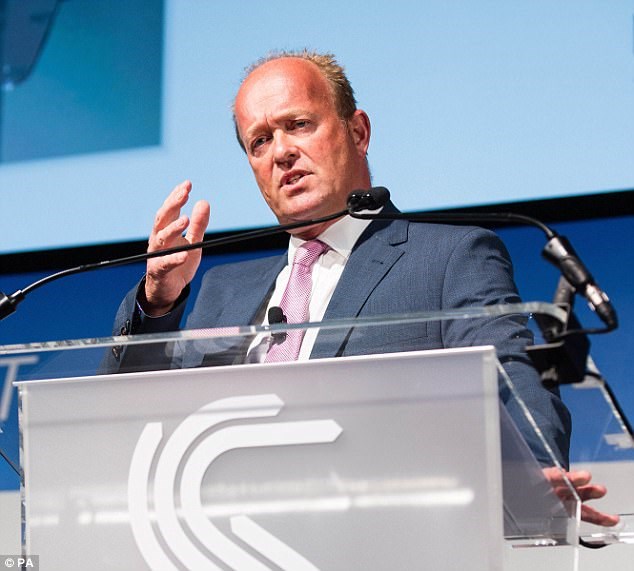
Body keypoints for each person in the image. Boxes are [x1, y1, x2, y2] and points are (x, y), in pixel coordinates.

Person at [105, 50, 617, 527]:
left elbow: (509, 385)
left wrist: (528, 479)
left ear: (358, 131)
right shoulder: (221, 289)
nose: (281, 152)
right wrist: (159, 299)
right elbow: (124, 429)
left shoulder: (448, 258)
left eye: (298, 125)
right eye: (259, 141)